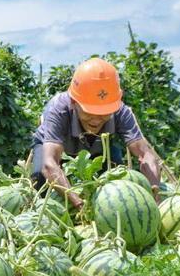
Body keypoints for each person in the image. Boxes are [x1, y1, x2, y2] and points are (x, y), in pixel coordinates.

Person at [31, 58, 161, 209]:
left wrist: (154, 193)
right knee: (41, 177)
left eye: (105, 113)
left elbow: (146, 154)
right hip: (55, 148)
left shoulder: (120, 111)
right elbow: (49, 164)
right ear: (74, 102)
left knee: (117, 177)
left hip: (98, 148)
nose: (96, 119)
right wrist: (79, 205)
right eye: (89, 112)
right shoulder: (58, 109)